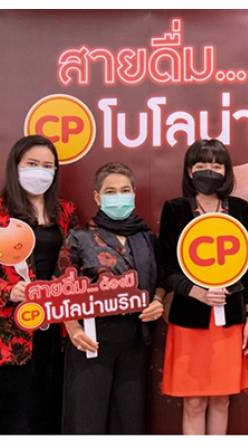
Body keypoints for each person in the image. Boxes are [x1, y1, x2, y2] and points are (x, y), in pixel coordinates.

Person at [0, 135, 79, 434]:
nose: (41, 171)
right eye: (32, 164)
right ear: (16, 166)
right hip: (7, 333)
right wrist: (8, 290)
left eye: (48, 166)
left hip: (53, 330)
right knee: (10, 421)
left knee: (48, 416)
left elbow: (74, 263)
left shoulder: (65, 211)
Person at [58, 162, 166, 434]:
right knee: (87, 420)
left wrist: (158, 301)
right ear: (97, 197)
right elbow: (61, 286)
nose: (119, 196)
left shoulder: (146, 237)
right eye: (110, 191)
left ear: (134, 194)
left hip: (135, 341)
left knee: (129, 421)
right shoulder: (80, 237)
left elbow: (161, 279)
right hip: (91, 340)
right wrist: (73, 329)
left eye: (125, 190)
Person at [159, 139, 248, 435]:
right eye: (201, 165)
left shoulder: (238, 208)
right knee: (194, 402)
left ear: (226, 171)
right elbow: (166, 269)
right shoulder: (175, 209)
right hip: (190, 320)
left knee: (222, 399)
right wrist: (196, 292)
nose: (209, 171)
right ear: (189, 171)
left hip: (230, 321)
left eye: (216, 165)